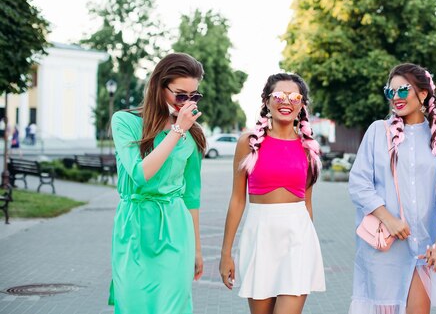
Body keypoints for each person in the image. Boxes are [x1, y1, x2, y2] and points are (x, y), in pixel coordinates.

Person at [349, 63, 436, 314]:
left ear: (423, 93)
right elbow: (358, 184)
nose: (396, 98)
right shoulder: (378, 131)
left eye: (403, 90)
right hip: (384, 249)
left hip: (423, 247)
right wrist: (389, 220)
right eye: (391, 92)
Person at [219, 73, 325, 314]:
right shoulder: (248, 142)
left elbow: (307, 205)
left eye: (294, 96)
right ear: (266, 101)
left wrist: (308, 248)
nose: (285, 101)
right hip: (260, 238)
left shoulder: (308, 148)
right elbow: (237, 200)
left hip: (297, 240)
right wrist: (226, 254)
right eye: (278, 95)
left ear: (302, 105)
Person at [108, 53, 206, 314]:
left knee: (173, 308)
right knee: (133, 306)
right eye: (180, 95)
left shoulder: (192, 135)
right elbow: (140, 175)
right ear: (159, 87)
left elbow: (191, 196)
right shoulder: (125, 122)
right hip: (134, 229)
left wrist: (197, 249)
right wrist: (176, 132)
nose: (187, 103)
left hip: (176, 230)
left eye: (193, 96)